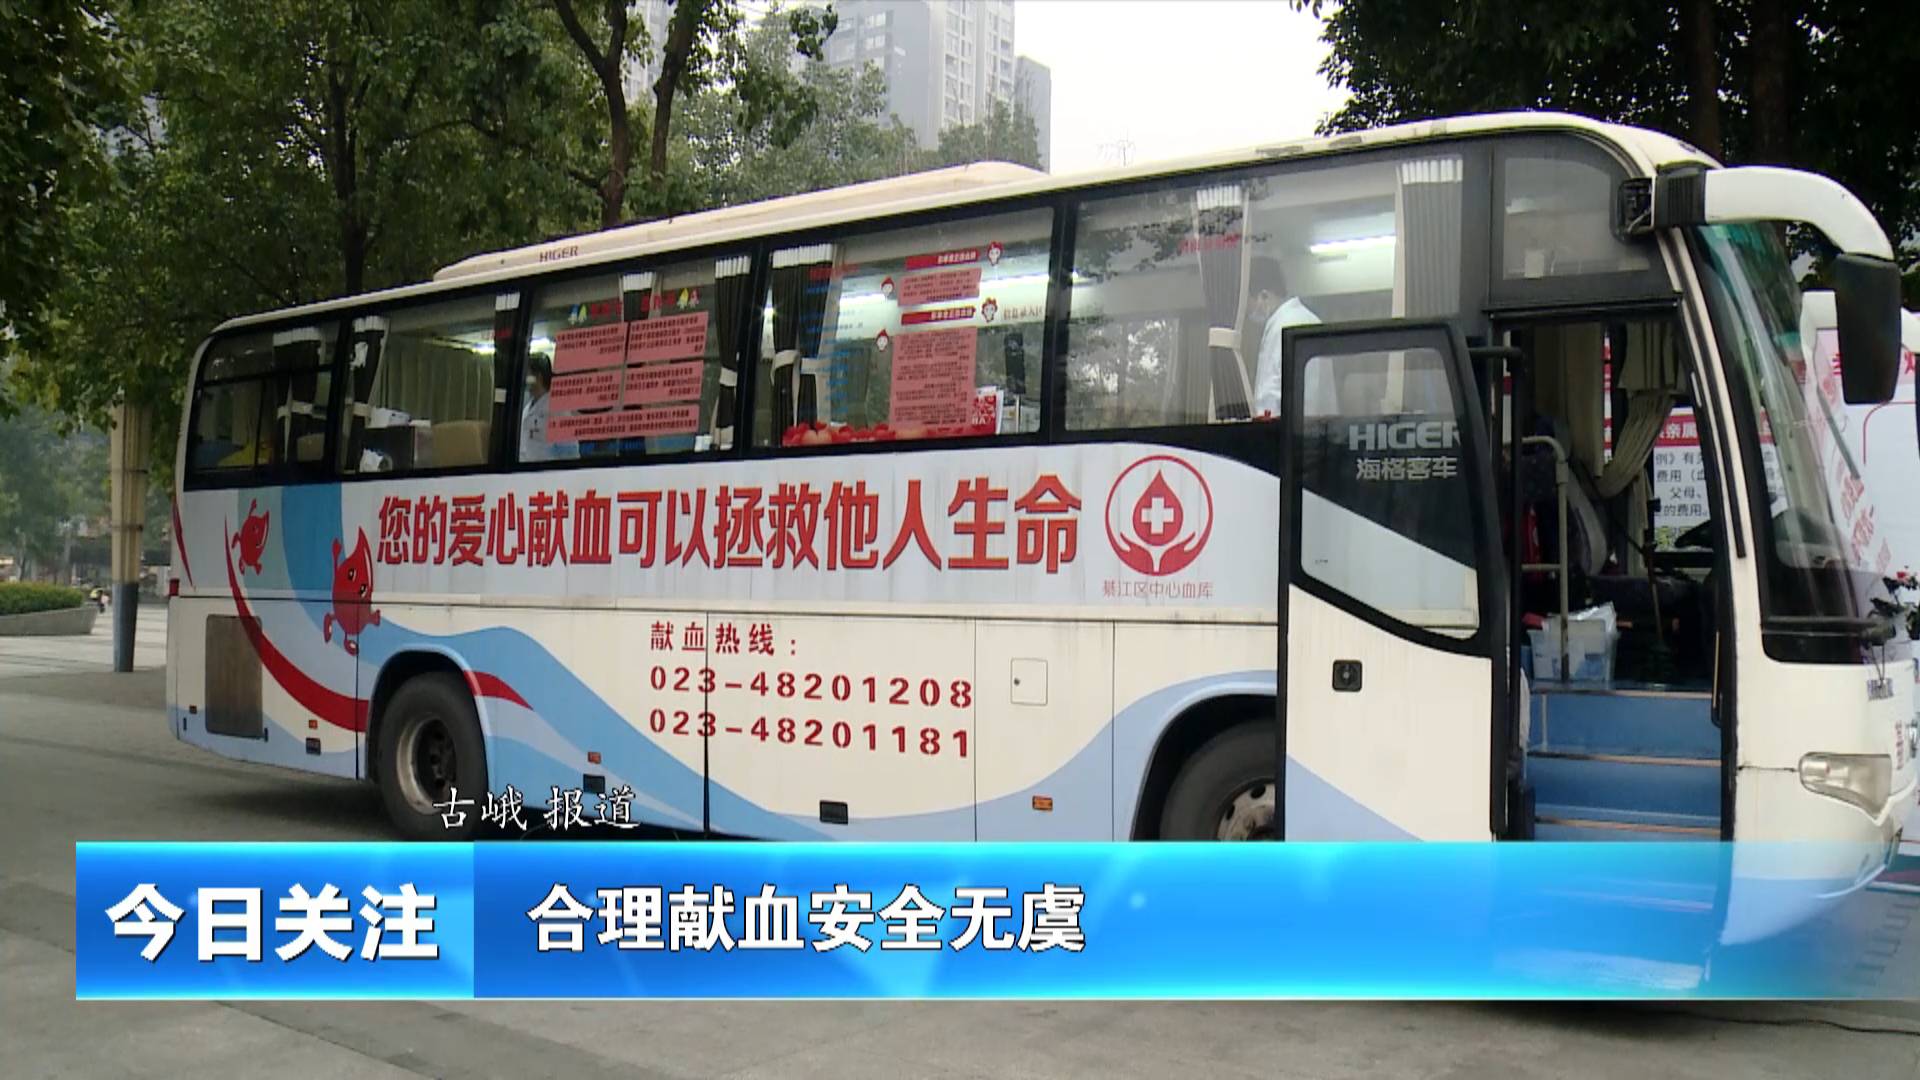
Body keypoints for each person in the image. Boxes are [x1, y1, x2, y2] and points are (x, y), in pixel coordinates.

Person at [1246, 256, 1324, 420]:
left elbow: (1271, 398)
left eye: (1249, 304)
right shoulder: (1311, 320)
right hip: (1316, 426)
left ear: (1264, 296)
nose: (1248, 312)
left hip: (1285, 429)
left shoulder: (1281, 328)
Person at [520, 354, 578, 462]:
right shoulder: (527, 408)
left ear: (538, 377)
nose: (524, 380)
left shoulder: (558, 411)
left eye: (528, 376)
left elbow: (570, 455)